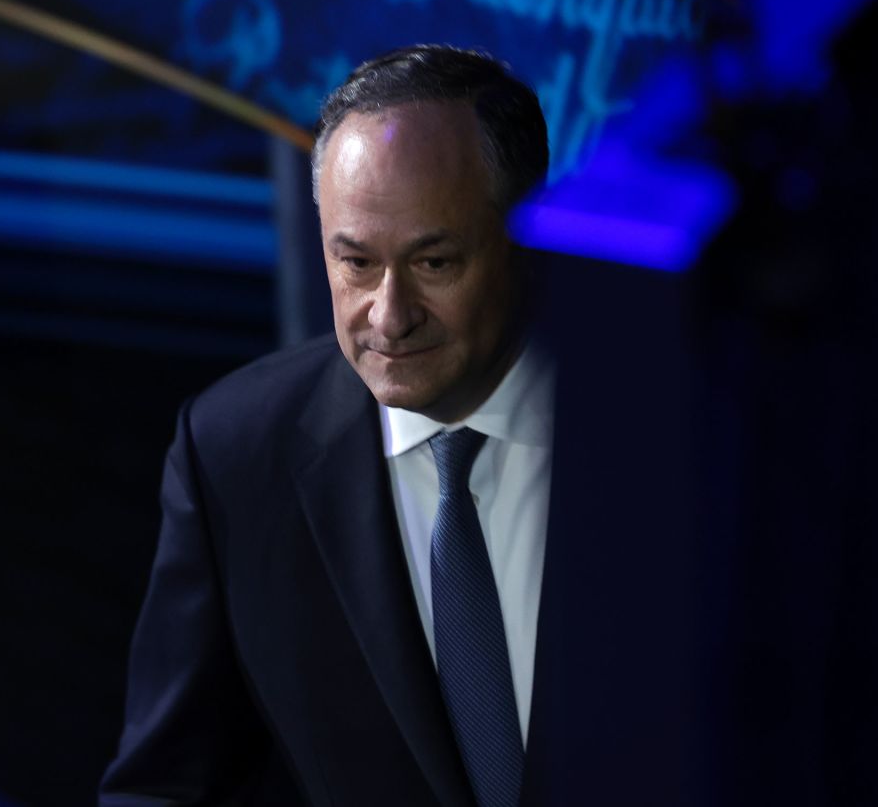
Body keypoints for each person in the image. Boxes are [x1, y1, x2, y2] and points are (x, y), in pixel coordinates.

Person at [99, 45, 557, 806]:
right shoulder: (236, 453)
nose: (389, 314)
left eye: (434, 262)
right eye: (355, 264)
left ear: (528, 239)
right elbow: (164, 787)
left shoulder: (677, 424)